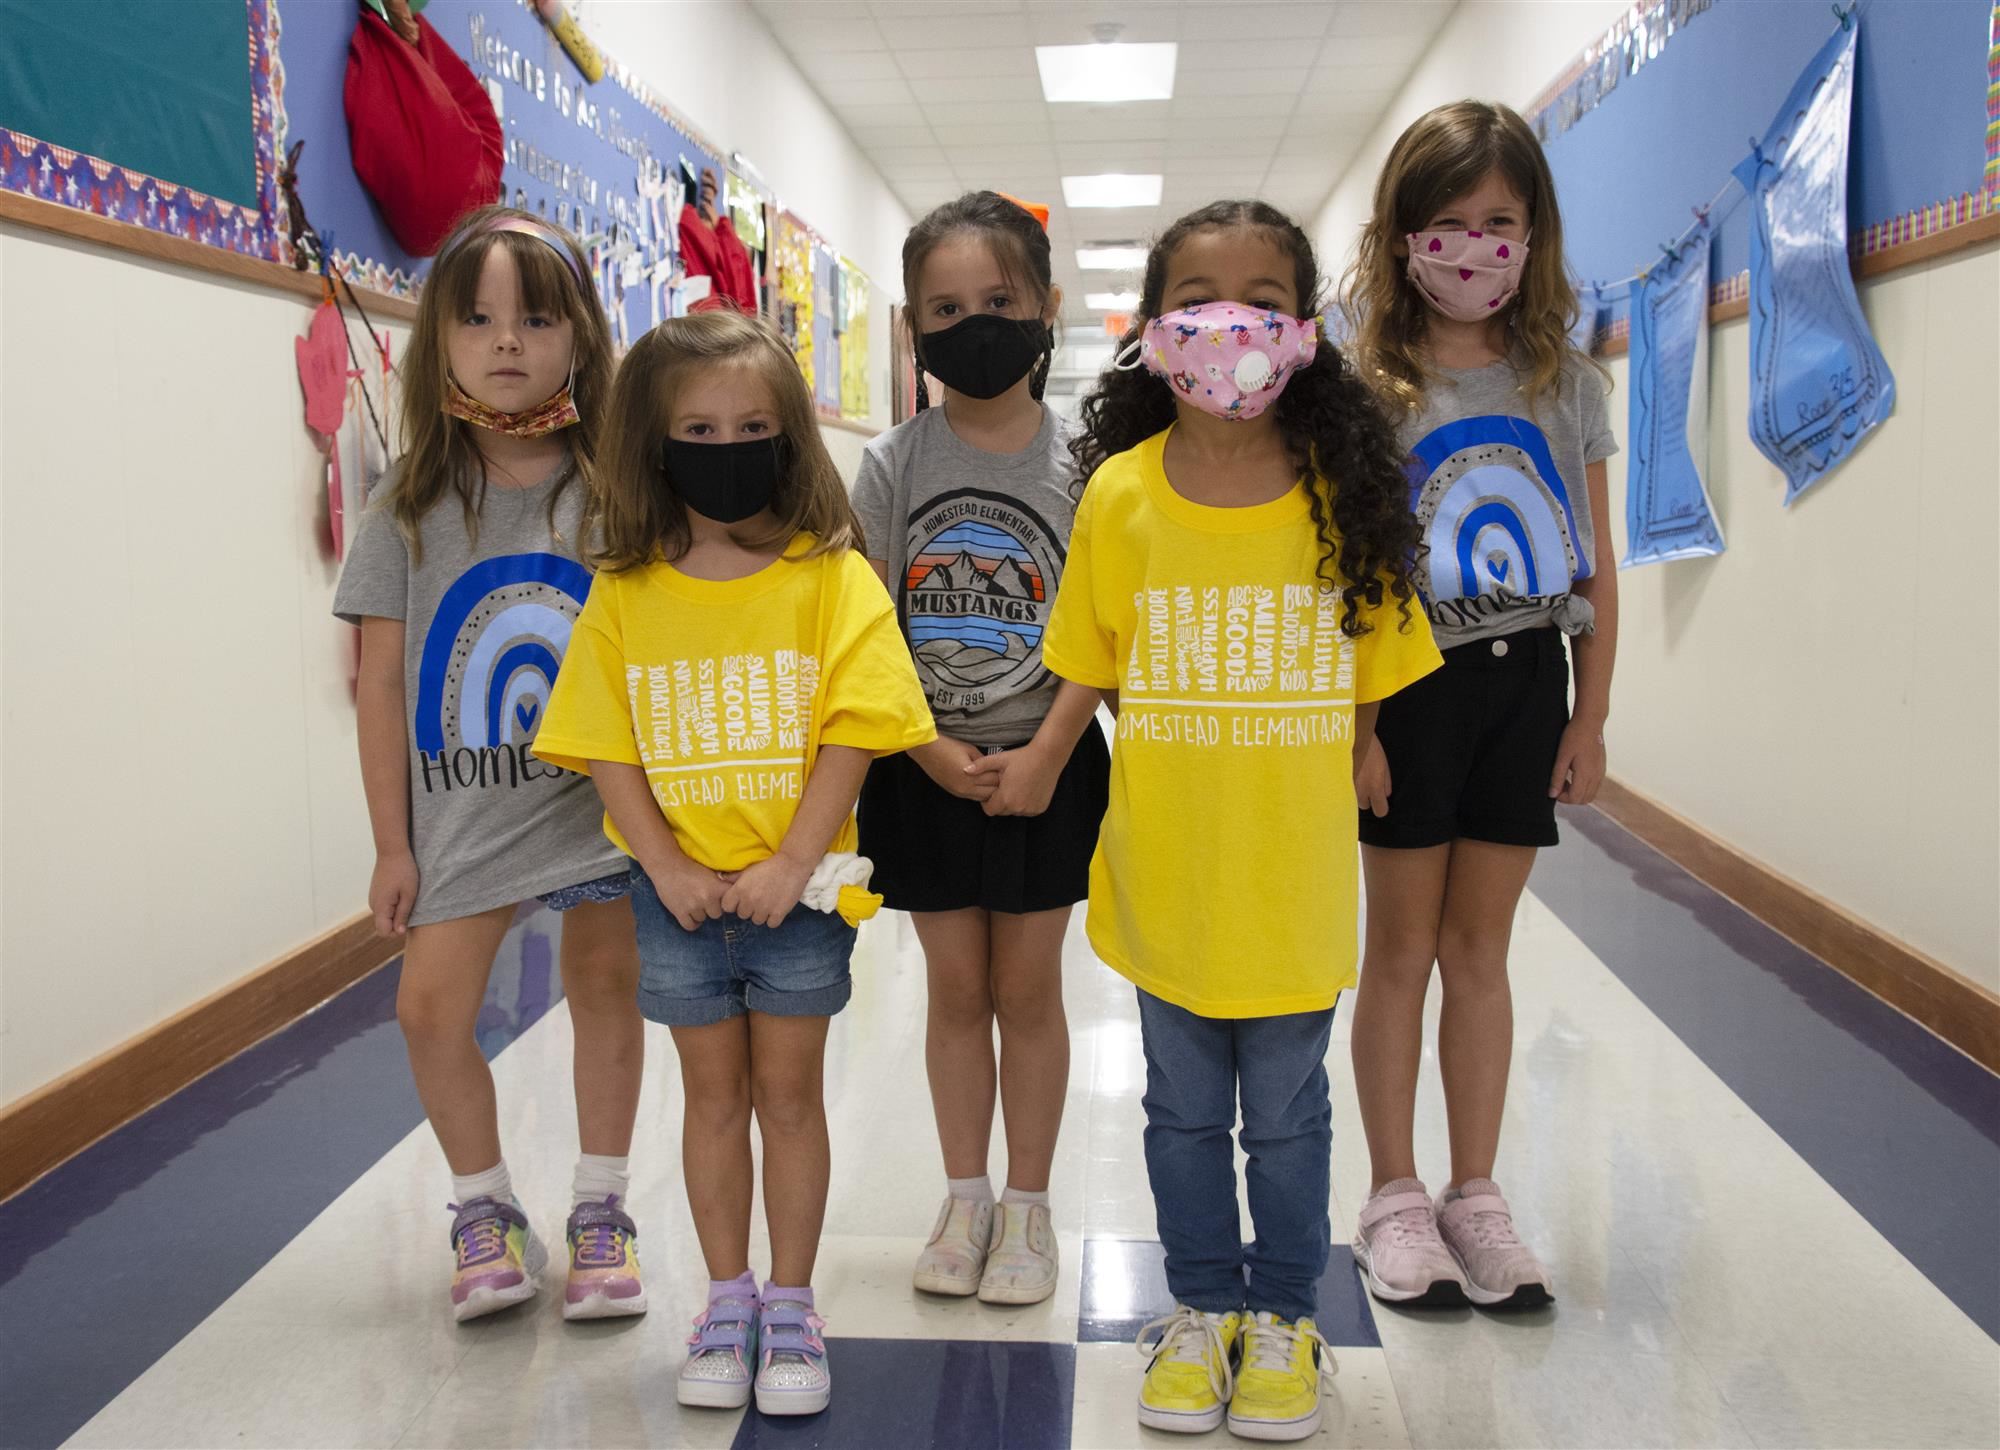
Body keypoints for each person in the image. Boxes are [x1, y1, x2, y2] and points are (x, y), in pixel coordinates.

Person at [1049, 200, 1440, 1441]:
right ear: (1154, 333)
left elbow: (1374, 656)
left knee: (1285, 1114)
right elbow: (1097, 659)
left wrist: (1361, 745)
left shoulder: (1344, 496)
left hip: (1293, 875)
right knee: (1177, 1113)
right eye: (1200, 298)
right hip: (1167, 869)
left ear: (1305, 331)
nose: (1232, 324)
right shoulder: (1116, 493)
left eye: (1263, 299)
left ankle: (1285, 1315)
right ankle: (1197, 1307)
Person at [533, 311, 934, 1416]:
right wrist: (661, 868)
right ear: (654, 445)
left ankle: (792, 1302)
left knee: (789, 1097)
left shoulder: (829, 576)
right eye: (698, 427)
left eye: (753, 424)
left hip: (797, 898)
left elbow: (858, 727)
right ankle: (725, 1298)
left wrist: (792, 856)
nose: (727, 444)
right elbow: (605, 743)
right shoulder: (625, 586)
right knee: (710, 1100)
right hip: (678, 902)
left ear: (791, 435)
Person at [333, 207, 646, 1324]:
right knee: (428, 1008)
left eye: (534, 317)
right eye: (475, 318)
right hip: (459, 812)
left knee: (606, 992)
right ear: (441, 344)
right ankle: (483, 1207)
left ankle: (602, 1208)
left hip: (595, 805)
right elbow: (376, 682)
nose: (505, 341)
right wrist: (389, 842)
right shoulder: (406, 503)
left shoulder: (616, 489)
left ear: (579, 338)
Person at [1340, 99, 1619, 1310]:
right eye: (1445, 223)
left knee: (1482, 952)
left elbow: (1594, 564)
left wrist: (1589, 716)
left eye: (1498, 221)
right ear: (1401, 239)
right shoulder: (1366, 383)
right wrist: (1352, 728)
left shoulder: (1564, 380)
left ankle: (1476, 1192)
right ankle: (1393, 1193)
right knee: (1398, 948)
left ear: (1534, 232)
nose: (1473, 246)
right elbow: (1343, 567)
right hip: (1406, 688)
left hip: (1524, 687)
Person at [851, 191, 1109, 1307]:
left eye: (997, 301)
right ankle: (965, 1197)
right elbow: (864, 631)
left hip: (1050, 760)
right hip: (925, 772)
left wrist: (1052, 745)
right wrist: (924, 752)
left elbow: (1105, 625)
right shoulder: (887, 465)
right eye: (945, 308)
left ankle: (1031, 1206)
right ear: (913, 327)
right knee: (956, 991)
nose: (974, 325)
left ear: (1046, 306)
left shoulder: (1094, 463)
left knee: (1030, 987)